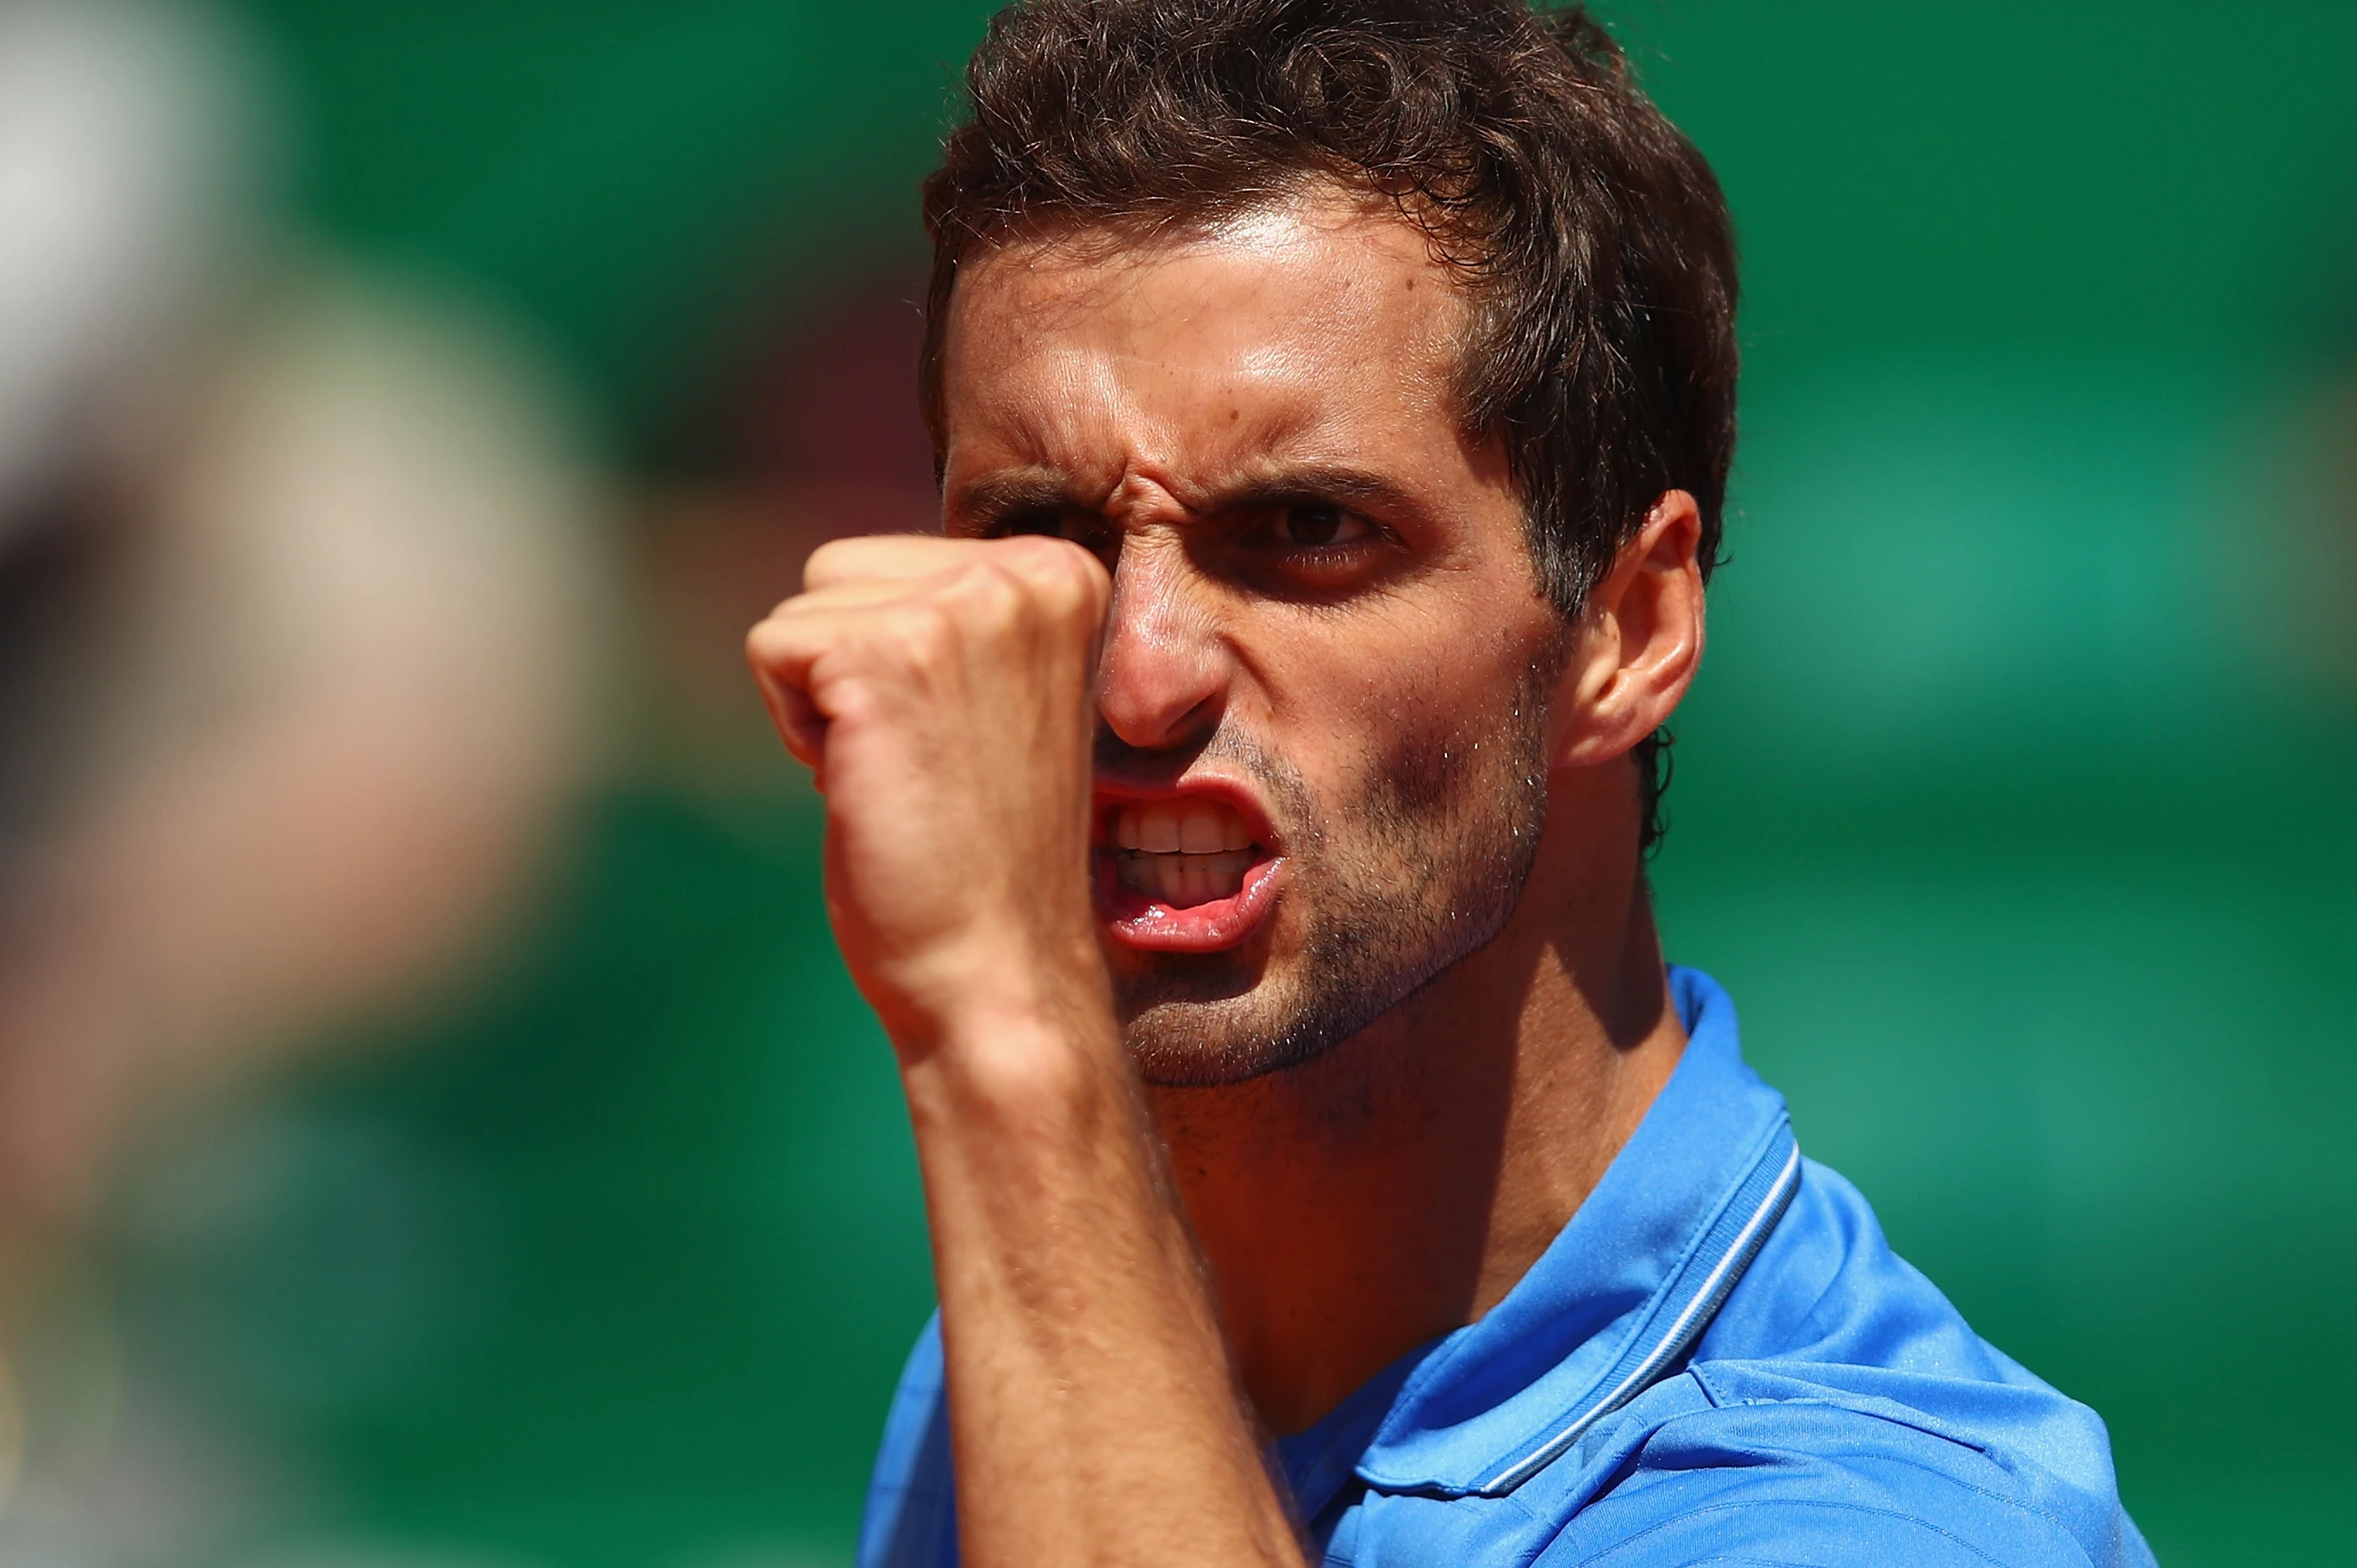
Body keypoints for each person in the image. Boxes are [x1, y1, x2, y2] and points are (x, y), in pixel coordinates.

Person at [745, 3, 2154, 1563]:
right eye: (1042, 539)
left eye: (1303, 533)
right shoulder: (1040, 1327)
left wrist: (1007, 1032)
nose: (1138, 681)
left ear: (1630, 627)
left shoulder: (1880, 1523)